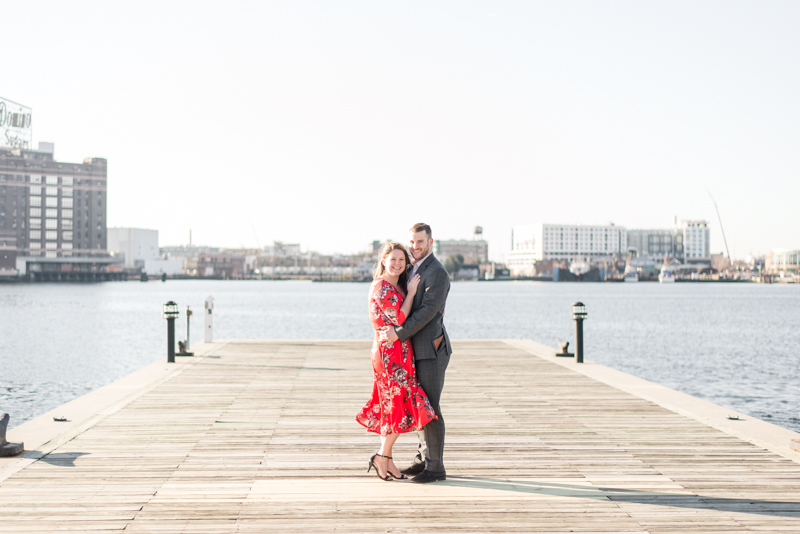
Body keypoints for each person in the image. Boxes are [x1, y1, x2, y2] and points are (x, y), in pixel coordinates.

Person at [356, 241, 437, 481]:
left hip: (399, 351)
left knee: (393, 405)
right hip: (389, 354)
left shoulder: (394, 285)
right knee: (399, 405)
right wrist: (412, 293)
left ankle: (386, 459)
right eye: (393, 260)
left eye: (402, 260)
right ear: (383, 261)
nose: (398, 264)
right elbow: (399, 318)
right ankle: (382, 456)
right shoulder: (382, 287)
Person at [381, 223, 452, 483]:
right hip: (414, 350)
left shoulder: (437, 273)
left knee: (430, 407)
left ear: (430, 242)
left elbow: (426, 313)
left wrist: (398, 333)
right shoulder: (413, 268)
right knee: (420, 405)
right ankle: (423, 460)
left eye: (419, 242)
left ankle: (435, 468)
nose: (414, 246)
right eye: (411, 242)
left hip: (431, 350)